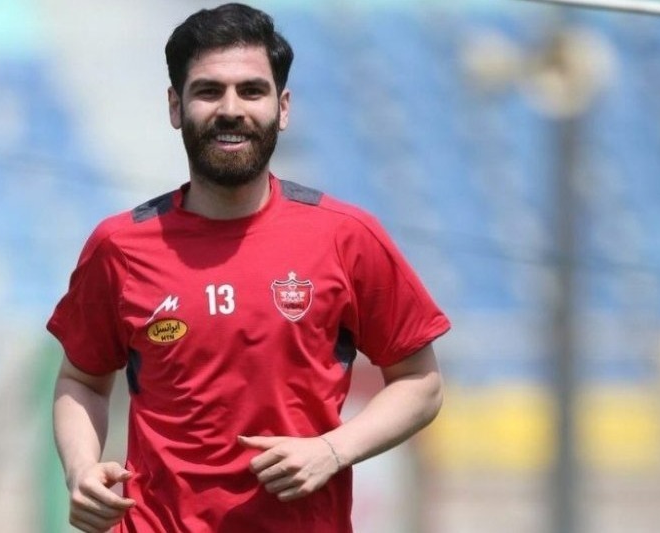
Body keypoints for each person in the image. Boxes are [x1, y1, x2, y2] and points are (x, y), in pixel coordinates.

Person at [47, 3, 450, 532]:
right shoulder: (120, 246)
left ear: (282, 108)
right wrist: (80, 468)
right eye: (209, 91)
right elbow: (81, 380)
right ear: (175, 106)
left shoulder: (345, 236)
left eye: (252, 91)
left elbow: (421, 383)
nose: (231, 109)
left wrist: (333, 450)